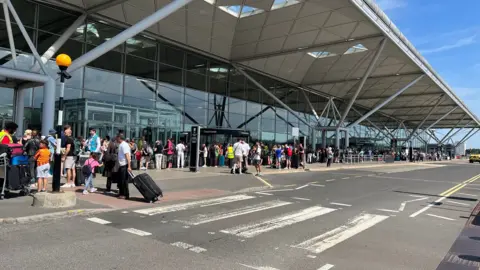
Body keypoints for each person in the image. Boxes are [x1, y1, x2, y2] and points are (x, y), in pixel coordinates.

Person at [117, 135, 132, 200]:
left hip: (124, 165)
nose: (116, 139)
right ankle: (121, 193)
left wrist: (129, 166)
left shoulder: (124, 145)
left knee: (124, 180)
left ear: (120, 138)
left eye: (117, 138)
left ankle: (125, 194)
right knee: (121, 180)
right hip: (121, 165)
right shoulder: (121, 145)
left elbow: (127, 156)